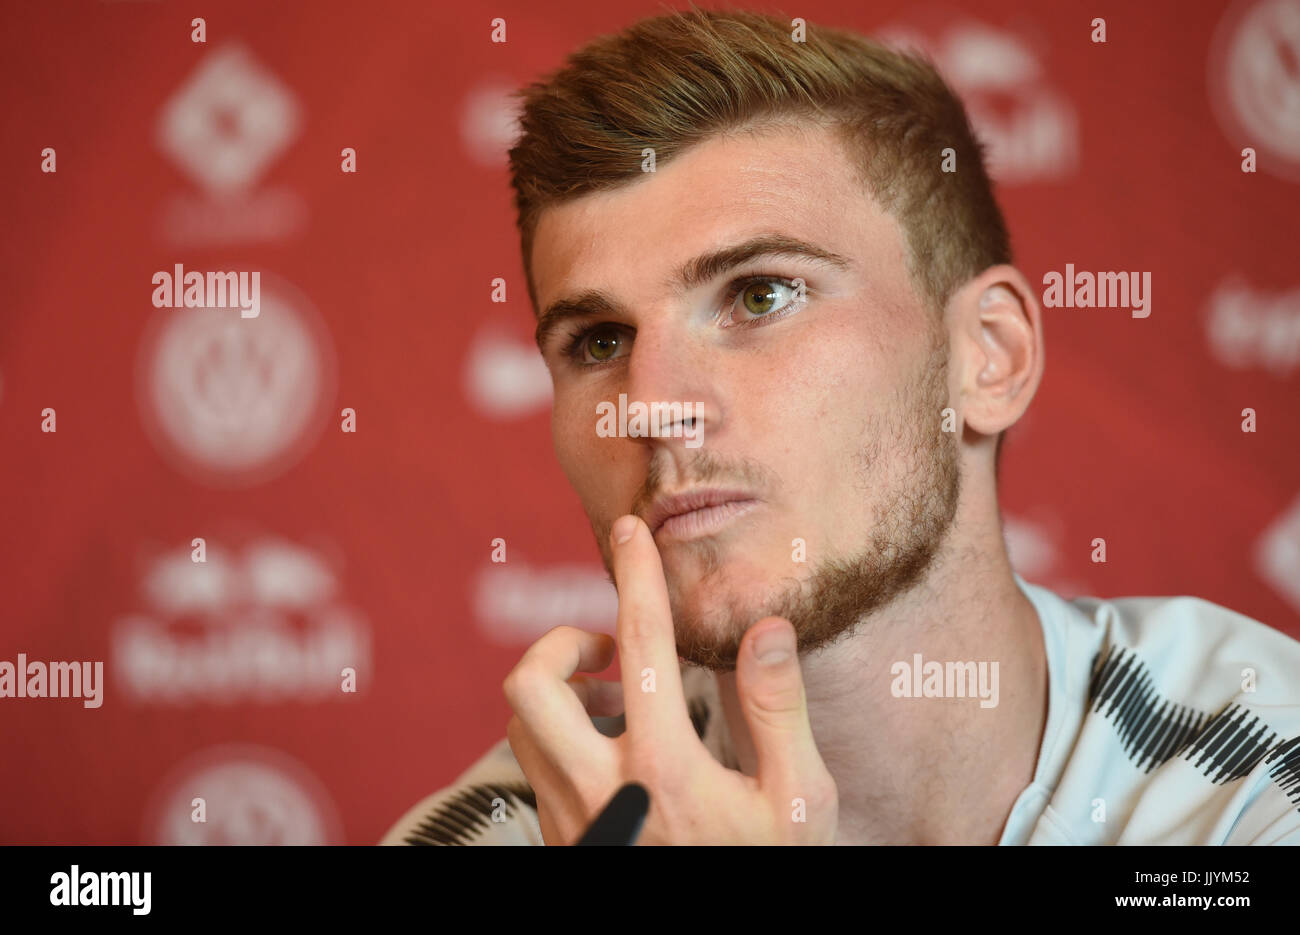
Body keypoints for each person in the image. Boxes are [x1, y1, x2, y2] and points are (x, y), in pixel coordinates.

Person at [382, 8, 1300, 845]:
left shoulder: (1257, 773)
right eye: (600, 339)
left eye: (760, 294)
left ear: (989, 356)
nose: (651, 402)